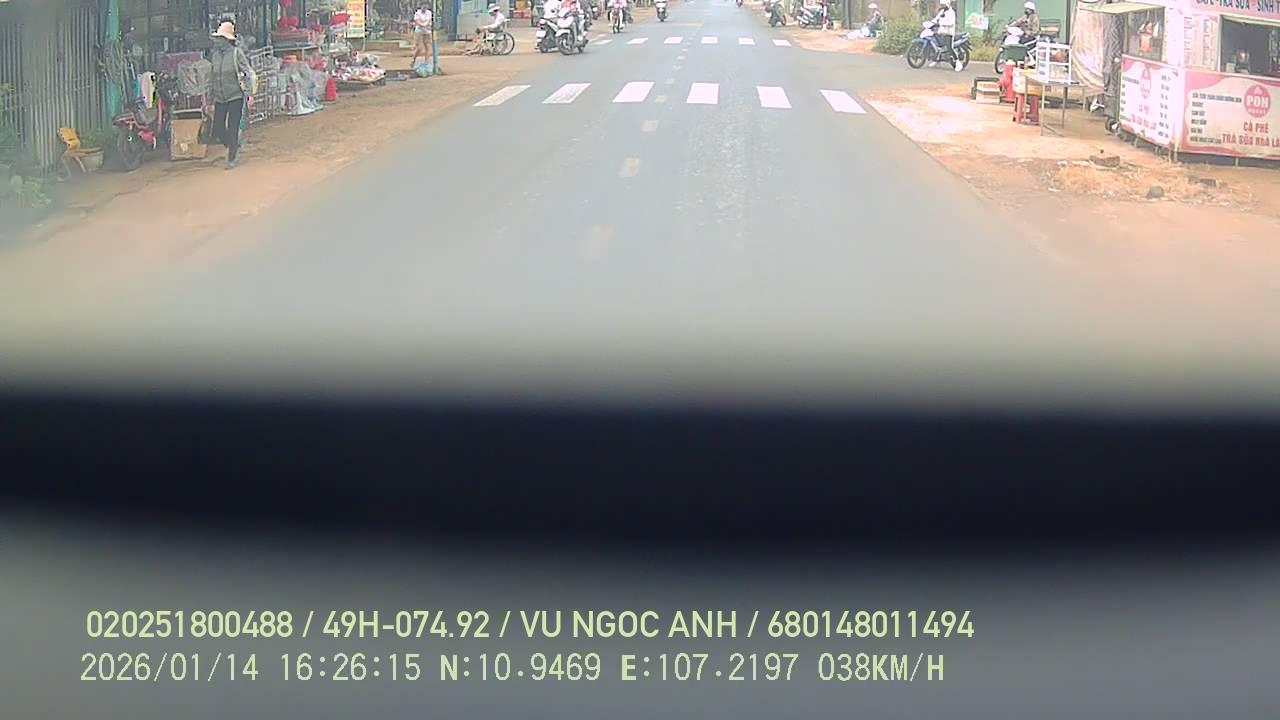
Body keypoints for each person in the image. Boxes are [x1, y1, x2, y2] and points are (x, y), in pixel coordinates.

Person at [204, 21, 257, 170]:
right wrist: (209, 100)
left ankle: (232, 157)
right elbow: (211, 78)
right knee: (218, 128)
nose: (218, 41)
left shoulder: (236, 53)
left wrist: (249, 94)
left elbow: (247, 73)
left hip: (235, 96)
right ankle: (234, 144)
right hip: (219, 97)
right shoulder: (215, 56)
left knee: (233, 127)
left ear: (227, 40)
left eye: (221, 38)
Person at [930, 0, 957, 69]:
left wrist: (941, 22)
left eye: (943, 5)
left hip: (948, 33)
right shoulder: (942, 11)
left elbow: (950, 23)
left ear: (947, 4)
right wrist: (931, 23)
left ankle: (956, 62)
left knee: (949, 47)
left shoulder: (951, 13)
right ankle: (936, 59)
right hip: (941, 32)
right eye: (942, 5)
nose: (942, 6)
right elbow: (936, 19)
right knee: (938, 45)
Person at [410, 3, 434, 69]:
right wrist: (423, 26)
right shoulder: (417, 13)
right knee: (420, 48)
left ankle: (426, 63)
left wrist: (427, 26)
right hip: (419, 31)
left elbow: (430, 21)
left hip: (427, 31)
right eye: (423, 6)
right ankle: (413, 59)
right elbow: (417, 22)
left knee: (428, 47)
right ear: (421, 6)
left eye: (426, 6)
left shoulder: (429, 12)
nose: (425, 8)